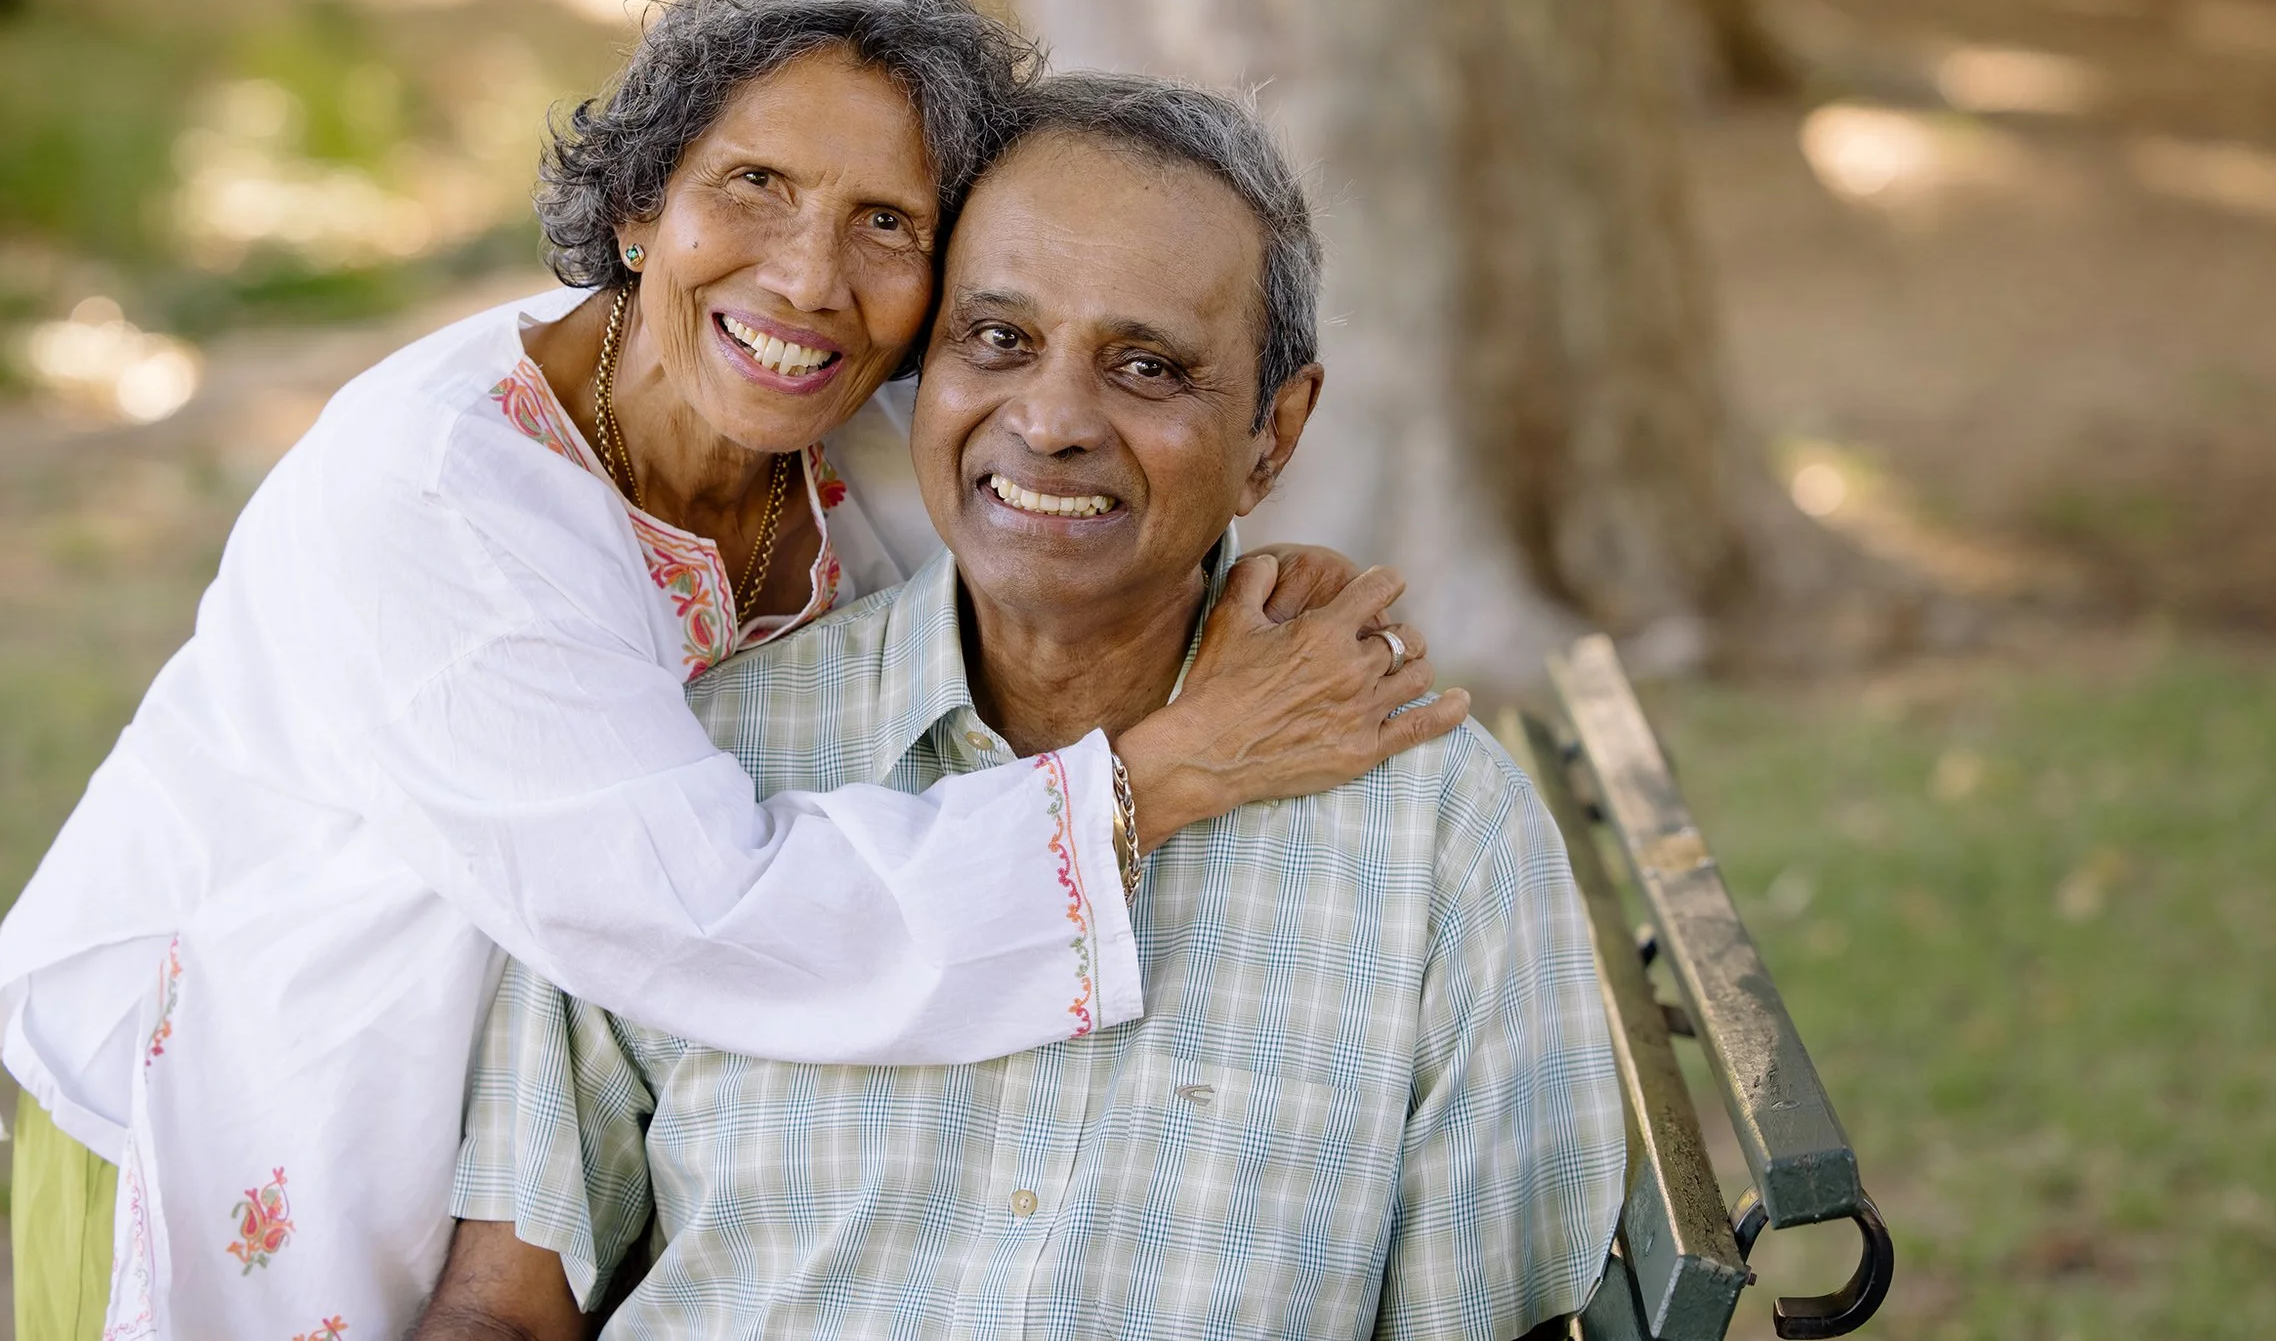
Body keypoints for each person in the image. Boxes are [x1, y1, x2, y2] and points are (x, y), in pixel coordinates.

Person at [0, 0, 1467, 1341]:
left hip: (520, 1137)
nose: (809, 277)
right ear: (638, 201)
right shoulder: (441, 500)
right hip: (231, 1099)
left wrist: (1249, 585)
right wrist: (1165, 773)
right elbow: (703, 909)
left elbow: (1080, 496)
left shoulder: (827, 449)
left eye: (889, 222)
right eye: (752, 184)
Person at [421, 73, 1627, 1341]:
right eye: (996, 339)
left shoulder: (1436, 836)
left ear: (1272, 436)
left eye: (1147, 366)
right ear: (924, 371)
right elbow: (505, 1304)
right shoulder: (712, 766)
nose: (1049, 422)